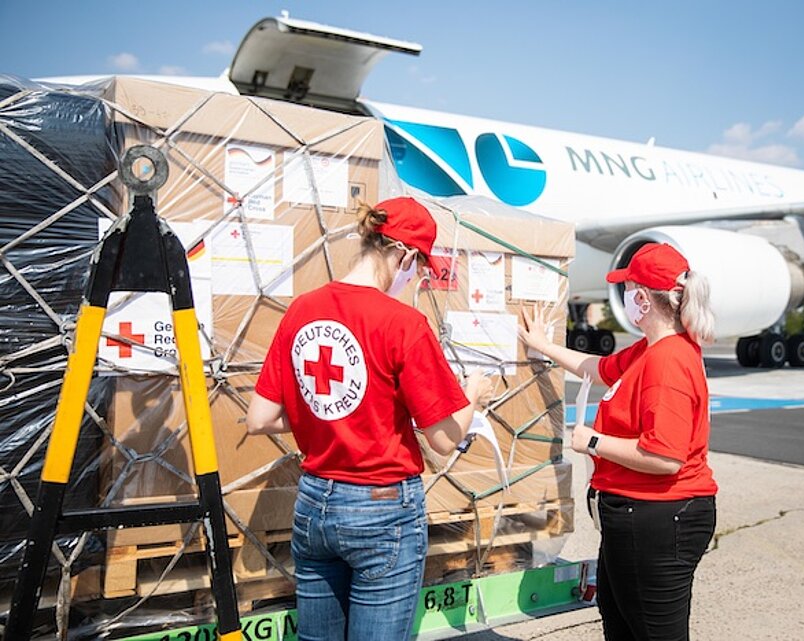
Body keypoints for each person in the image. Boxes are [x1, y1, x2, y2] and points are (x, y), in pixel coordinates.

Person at [246, 196, 493, 641]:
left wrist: (327, 412)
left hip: (314, 505)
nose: (418, 278)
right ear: (405, 255)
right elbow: (443, 438)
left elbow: (260, 417)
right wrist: (473, 392)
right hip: (381, 511)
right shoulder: (404, 323)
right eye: (419, 269)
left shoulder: (302, 308)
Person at [518, 242, 717, 641]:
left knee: (652, 631)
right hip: (634, 516)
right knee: (619, 617)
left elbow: (664, 457)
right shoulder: (648, 350)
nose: (623, 297)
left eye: (627, 290)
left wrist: (593, 442)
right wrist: (543, 346)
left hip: (659, 518)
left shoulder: (668, 362)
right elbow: (598, 369)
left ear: (642, 298)